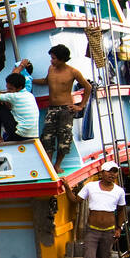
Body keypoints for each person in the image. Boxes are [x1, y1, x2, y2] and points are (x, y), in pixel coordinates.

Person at [34, 43, 93, 172]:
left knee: (64, 138)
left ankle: (57, 165)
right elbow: (46, 81)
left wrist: (81, 106)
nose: (51, 60)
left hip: (66, 109)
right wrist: (30, 80)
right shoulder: (51, 68)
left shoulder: (73, 72)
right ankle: (49, 165)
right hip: (52, 108)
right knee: (47, 137)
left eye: (54, 58)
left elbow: (88, 87)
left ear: (62, 59)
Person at [73, 161, 126, 258]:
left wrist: (118, 228)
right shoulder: (90, 186)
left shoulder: (119, 191)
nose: (112, 174)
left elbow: (121, 211)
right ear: (102, 172)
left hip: (109, 231)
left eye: (114, 172)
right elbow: (75, 200)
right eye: (109, 171)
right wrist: (67, 188)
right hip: (92, 230)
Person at [0, 69, 39, 142]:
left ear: (19, 88)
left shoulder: (14, 96)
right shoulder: (29, 95)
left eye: (10, 89)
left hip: (20, 135)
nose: (8, 90)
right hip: (33, 135)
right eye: (7, 88)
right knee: (2, 101)